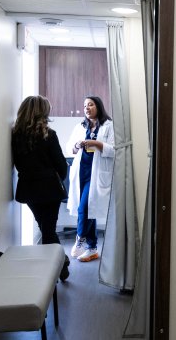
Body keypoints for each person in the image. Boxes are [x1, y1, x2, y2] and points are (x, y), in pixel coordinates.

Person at [11, 95, 71, 281]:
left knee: (45, 227)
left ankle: (59, 265)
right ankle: (58, 265)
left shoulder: (16, 135)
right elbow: (61, 165)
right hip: (49, 189)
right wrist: (54, 178)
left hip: (29, 189)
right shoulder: (49, 135)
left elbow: (19, 164)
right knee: (48, 229)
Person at [66, 95, 115, 262]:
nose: (87, 108)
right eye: (85, 105)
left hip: (97, 174)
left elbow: (115, 150)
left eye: (90, 105)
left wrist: (97, 144)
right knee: (89, 210)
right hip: (81, 172)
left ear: (98, 107)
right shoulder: (80, 126)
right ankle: (92, 248)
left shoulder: (109, 126)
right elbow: (70, 148)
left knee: (85, 207)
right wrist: (77, 145)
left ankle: (81, 238)